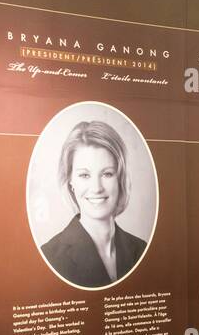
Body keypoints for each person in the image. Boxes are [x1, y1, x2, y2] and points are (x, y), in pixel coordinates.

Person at [41, 120, 147, 287]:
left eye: (107, 174)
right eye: (84, 175)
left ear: (120, 178)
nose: (97, 188)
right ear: (70, 182)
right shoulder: (50, 256)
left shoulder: (142, 249)